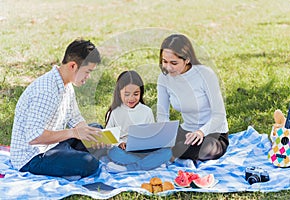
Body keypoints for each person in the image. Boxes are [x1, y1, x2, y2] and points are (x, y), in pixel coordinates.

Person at [10, 38, 103, 180]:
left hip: (53, 145)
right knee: (91, 163)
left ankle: (71, 160)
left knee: (96, 129)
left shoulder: (67, 85)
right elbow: (35, 137)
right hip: (33, 157)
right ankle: (73, 162)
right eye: (87, 71)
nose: (88, 77)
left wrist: (88, 133)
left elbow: (75, 118)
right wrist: (74, 133)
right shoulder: (46, 91)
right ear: (73, 66)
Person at [156, 34, 229, 163]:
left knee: (201, 149)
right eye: (164, 61)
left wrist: (201, 132)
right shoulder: (164, 78)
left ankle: (174, 152)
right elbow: (162, 114)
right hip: (186, 132)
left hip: (212, 134)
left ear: (187, 60)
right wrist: (164, 138)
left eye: (174, 63)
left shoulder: (205, 75)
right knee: (150, 142)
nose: (168, 67)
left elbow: (219, 115)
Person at [105, 70, 172, 172]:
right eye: (126, 94)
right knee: (113, 152)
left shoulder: (146, 111)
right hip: (123, 150)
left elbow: (152, 135)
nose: (131, 98)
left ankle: (129, 168)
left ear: (141, 93)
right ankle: (150, 164)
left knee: (167, 152)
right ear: (119, 93)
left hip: (142, 150)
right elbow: (108, 137)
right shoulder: (115, 112)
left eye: (135, 94)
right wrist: (119, 143)